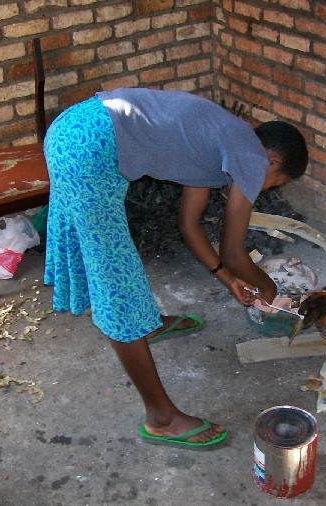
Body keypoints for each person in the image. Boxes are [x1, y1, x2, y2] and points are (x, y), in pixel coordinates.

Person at [43, 88, 308, 449]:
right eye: (276, 182)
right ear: (272, 161)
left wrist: (228, 279)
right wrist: (271, 292)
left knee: (113, 264)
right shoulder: (251, 155)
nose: (265, 188)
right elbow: (234, 252)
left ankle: (146, 325)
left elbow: (189, 224)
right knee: (116, 283)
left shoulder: (221, 141)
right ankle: (161, 419)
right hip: (89, 148)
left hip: (75, 129)